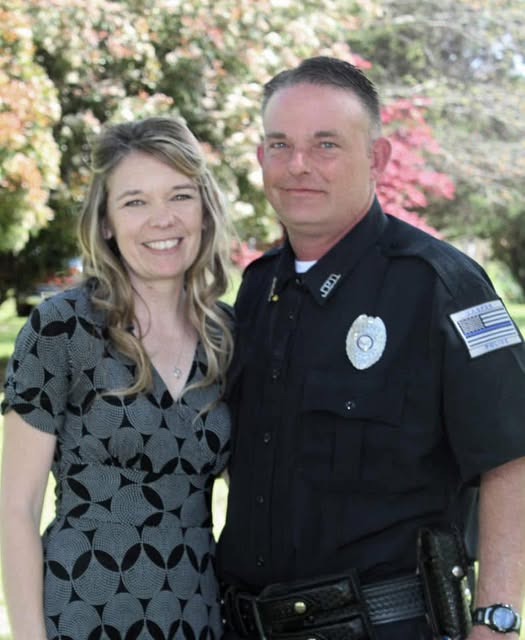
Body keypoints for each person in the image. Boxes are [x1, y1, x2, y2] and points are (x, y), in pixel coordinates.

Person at [217, 56, 525, 640]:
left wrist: (496, 620)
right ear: (260, 157)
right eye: (280, 145)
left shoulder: (439, 286)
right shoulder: (258, 290)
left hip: (385, 625)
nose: (298, 165)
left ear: (377, 158)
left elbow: (511, 458)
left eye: (326, 144)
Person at [0, 116, 233, 640]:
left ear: (204, 209)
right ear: (105, 222)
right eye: (135, 202)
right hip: (82, 614)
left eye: (179, 196)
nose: (162, 219)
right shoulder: (62, 327)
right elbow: (16, 509)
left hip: (197, 616)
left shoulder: (229, 338)